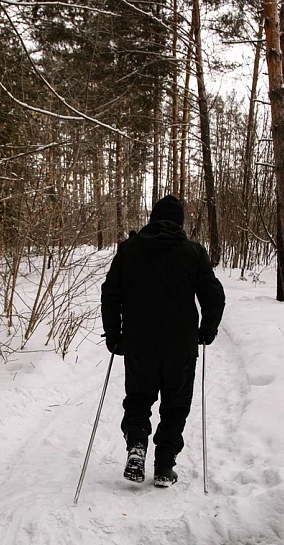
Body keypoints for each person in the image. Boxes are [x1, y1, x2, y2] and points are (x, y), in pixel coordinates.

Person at [101, 194, 225, 487]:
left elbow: (110, 294)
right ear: (180, 222)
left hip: (138, 344)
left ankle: (137, 442)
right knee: (175, 405)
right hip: (179, 346)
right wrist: (208, 329)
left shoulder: (129, 250)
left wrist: (114, 334)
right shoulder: (193, 253)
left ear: (152, 219)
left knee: (138, 400)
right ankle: (164, 467)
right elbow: (214, 295)